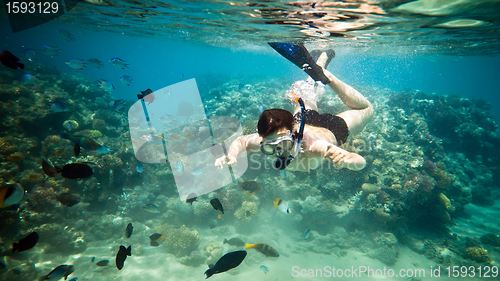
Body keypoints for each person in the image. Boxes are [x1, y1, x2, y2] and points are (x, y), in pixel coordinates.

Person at [215, 43, 373, 172]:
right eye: (270, 147)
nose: (279, 152)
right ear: (262, 141)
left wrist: (348, 160)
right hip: (303, 118)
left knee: (367, 109)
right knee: (307, 91)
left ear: (293, 135)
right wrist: (232, 156)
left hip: (333, 129)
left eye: (283, 143)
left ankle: (328, 77)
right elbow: (241, 141)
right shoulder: (266, 139)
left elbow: (360, 162)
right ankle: (320, 64)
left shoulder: (313, 147)